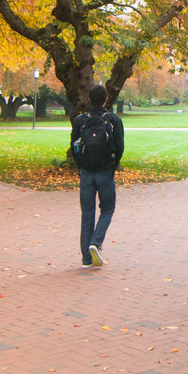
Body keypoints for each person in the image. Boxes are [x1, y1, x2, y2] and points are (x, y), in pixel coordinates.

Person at [70, 84, 125, 269]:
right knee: (108, 209)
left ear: (89, 100)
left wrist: (81, 165)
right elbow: (120, 146)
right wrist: (112, 166)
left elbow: (74, 145)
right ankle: (96, 241)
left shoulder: (80, 120)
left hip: (86, 173)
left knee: (87, 214)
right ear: (106, 99)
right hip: (105, 172)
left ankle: (86, 259)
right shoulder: (114, 120)